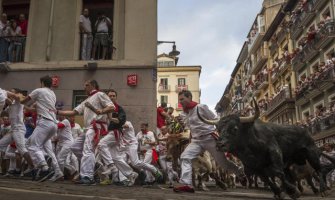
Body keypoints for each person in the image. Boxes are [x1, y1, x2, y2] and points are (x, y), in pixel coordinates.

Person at [173, 90, 244, 193]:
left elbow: (215, 119)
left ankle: (239, 173)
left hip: (209, 138)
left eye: (182, 99)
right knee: (185, 157)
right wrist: (182, 124)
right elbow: (189, 127)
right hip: (196, 141)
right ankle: (187, 184)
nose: (180, 102)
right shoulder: (184, 113)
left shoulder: (201, 107)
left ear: (189, 97)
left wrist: (222, 134)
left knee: (223, 163)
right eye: (179, 100)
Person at [57, 80, 115, 185]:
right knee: (75, 147)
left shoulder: (100, 94)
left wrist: (101, 111)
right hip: (88, 128)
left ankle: (87, 176)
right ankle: (93, 164)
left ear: (93, 85)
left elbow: (111, 107)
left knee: (88, 149)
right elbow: (73, 112)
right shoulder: (86, 100)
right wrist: (56, 111)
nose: (84, 87)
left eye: (86, 85)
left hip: (96, 126)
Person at [20, 75, 61, 181]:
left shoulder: (39, 91)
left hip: (45, 123)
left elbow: (24, 101)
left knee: (33, 146)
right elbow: (36, 107)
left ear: (42, 82)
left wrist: (18, 98)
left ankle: (44, 167)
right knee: (29, 144)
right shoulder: (52, 93)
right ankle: (45, 167)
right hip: (53, 124)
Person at [0, 88, 34, 175]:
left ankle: (32, 167)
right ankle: (10, 169)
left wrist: (7, 93)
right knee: (1, 144)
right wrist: (4, 94)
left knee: (22, 149)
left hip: (19, 129)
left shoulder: (19, 102)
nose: (11, 93)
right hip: (13, 129)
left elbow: (19, 97)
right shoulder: (11, 104)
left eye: (13, 92)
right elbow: (7, 101)